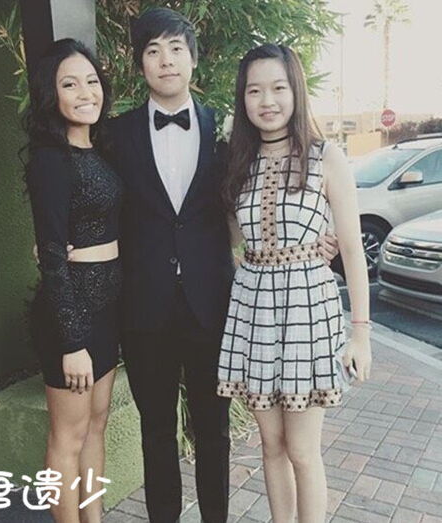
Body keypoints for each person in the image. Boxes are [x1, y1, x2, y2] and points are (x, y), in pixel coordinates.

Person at [102, 9, 339, 523]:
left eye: (176, 49)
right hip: (144, 308)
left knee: (214, 432)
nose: (166, 60)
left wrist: (317, 242)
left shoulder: (229, 133)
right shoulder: (115, 135)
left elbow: (261, 205)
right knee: (155, 431)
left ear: (193, 59)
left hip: (215, 307)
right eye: (153, 51)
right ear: (140, 64)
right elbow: (97, 202)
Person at [217, 43, 372, 523]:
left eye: (278, 88)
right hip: (254, 311)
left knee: (303, 450)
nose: (267, 100)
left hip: (308, 309)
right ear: (243, 98)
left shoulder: (326, 157)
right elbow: (232, 239)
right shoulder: (236, 162)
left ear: (296, 91)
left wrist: (361, 333)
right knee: (271, 443)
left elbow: (351, 250)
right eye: (254, 90)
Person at [25, 38, 122, 523]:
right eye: (70, 84)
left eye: (91, 80)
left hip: (106, 310)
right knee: (67, 437)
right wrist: (71, 341)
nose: (85, 92)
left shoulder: (99, 150)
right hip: (72, 316)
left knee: (96, 426)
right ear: (52, 94)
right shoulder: (51, 159)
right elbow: (51, 257)